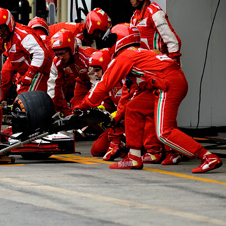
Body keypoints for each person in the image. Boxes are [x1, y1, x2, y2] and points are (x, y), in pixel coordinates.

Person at [81, 24, 222, 173]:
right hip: (170, 80)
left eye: (112, 39)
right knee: (133, 108)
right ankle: (134, 157)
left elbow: (104, 85)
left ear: (121, 39)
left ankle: (207, 157)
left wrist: (84, 105)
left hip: (167, 84)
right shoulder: (140, 52)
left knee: (164, 132)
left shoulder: (126, 56)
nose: (110, 44)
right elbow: (130, 94)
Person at [125, 0, 183, 163]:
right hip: (145, 73)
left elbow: (173, 41)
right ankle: (154, 150)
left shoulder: (154, 12)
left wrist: (172, 67)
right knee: (148, 111)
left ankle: (174, 152)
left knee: (164, 114)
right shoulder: (134, 16)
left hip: (162, 72)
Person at [0, 8, 53, 102]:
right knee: (21, 101)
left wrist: (29, 75)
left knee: (29, 103)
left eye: (0, 29)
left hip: (40, 72)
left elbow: (40, 54)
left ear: (9, 24)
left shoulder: (23, 35)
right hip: (26, 72)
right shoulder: (4, 37)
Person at [125, 0, 181, 64]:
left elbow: (173, 42)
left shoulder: (155, 13)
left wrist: (170, 65)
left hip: (158, 69)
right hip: (143, 68)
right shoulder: (135, 15)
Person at [47, 29, 96, 116]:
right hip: (82, 82)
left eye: (62, 53)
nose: (60, 57)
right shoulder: (57, 62)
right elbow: (53, 87)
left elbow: (98, 85)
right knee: (76, 111)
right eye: (57, 54)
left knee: (92, 108)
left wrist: (85, 104)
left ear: (71, 49)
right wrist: (51, 109)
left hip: (100, 82)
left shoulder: (88, 59)